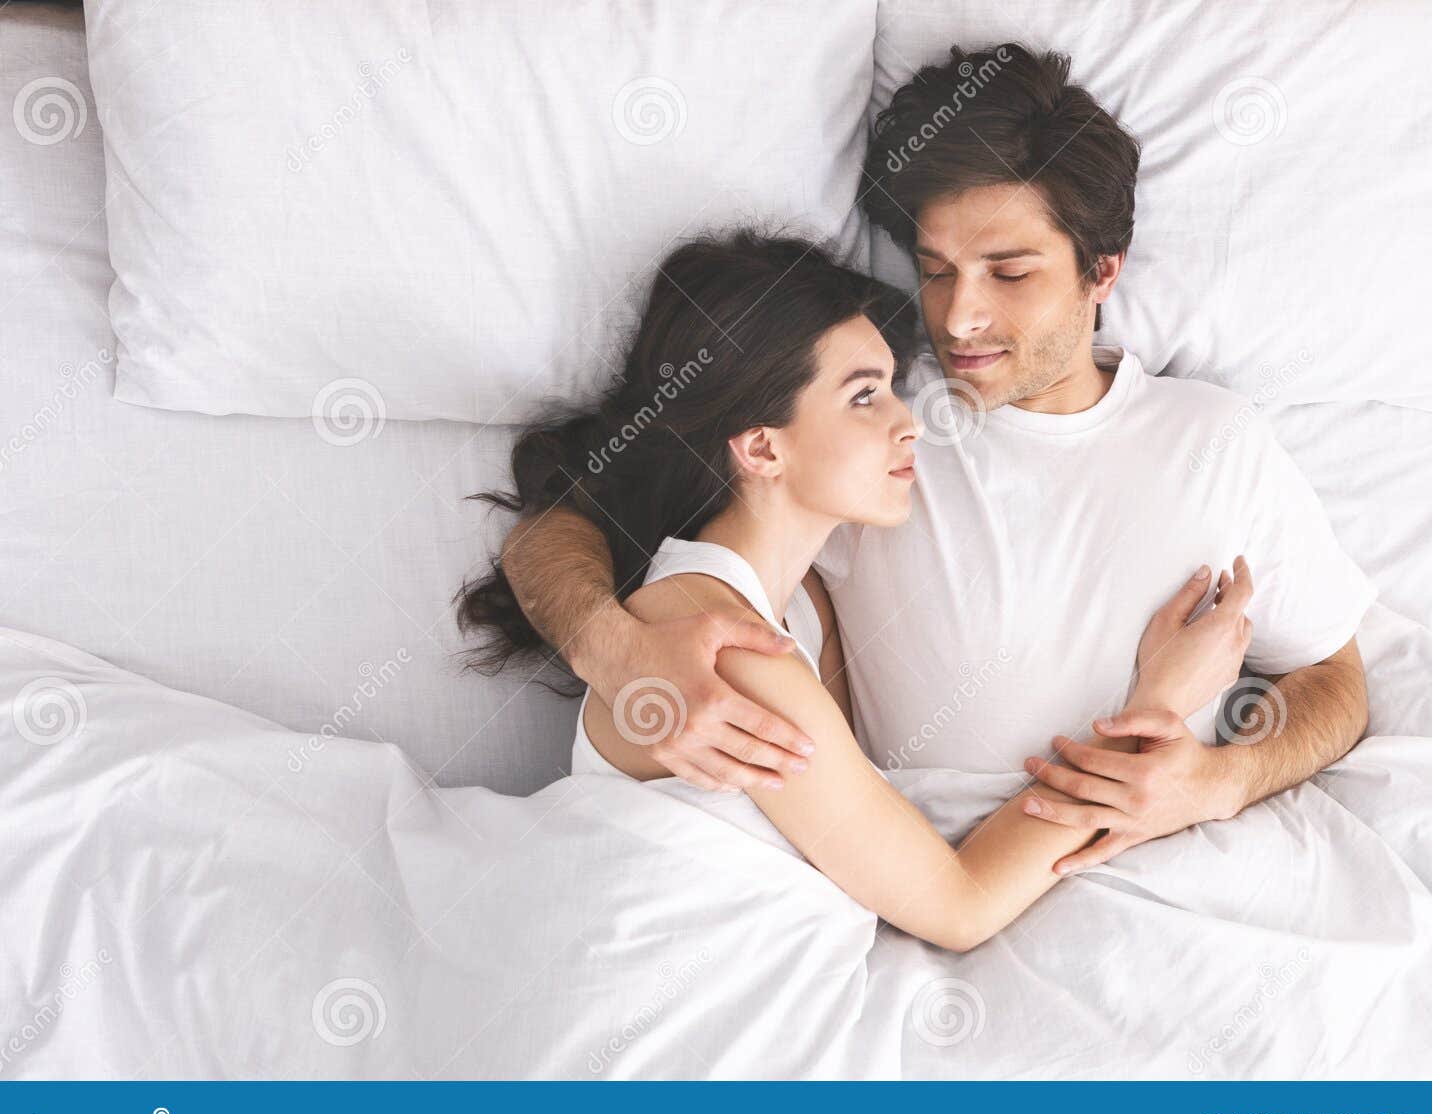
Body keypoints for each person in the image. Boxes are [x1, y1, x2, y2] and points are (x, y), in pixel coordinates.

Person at [491, 44, 1375, 880]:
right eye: (938, 270)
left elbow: (1333, 678)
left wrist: (1218, 782)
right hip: (917, 874)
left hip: (1125, 867)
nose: (959, 319)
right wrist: (612, 650)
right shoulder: (864, 410)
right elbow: (566, 520)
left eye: (1010, 272)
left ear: (1102, 270)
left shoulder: (1217, 439)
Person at [458, 231, 1255, 952]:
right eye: (865, 395)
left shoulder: (798, 608)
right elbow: (959, 905)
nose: (911, 424)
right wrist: (1156, 706)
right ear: (762, 447)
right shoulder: (726, 647)